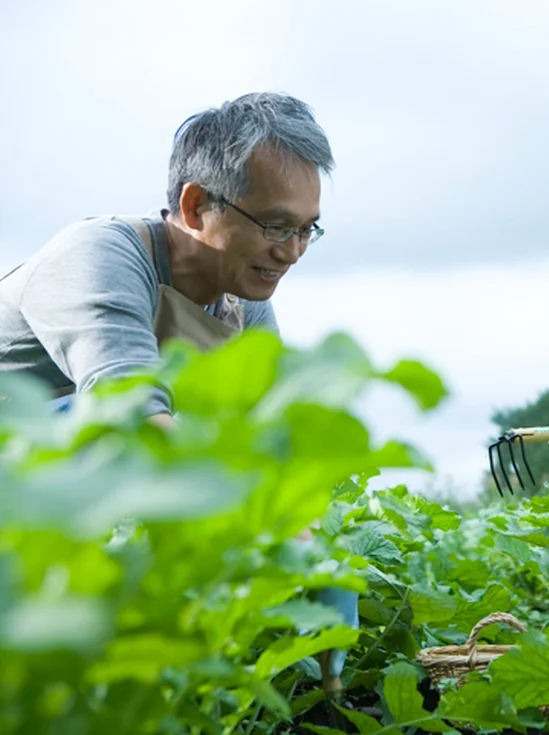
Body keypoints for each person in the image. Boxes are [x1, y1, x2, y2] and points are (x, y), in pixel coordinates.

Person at [0, 92, 356, 692]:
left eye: (306, 230)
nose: (292, 252)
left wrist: (312, 539)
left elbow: (269, 443)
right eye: (274, 226)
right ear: (195, 206)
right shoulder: (100, 257)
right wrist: (270, 526)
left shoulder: (242, 302)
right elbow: (128, 415)